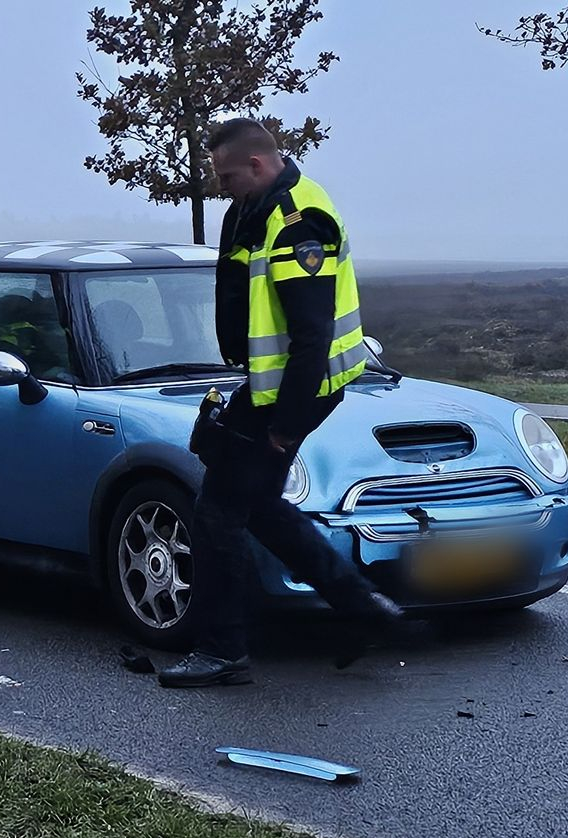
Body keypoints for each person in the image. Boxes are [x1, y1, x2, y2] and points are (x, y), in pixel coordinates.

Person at [159, 119, 401, 689]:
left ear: (259, 165)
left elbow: (312, 335)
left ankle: (223, 650)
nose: (220, 187)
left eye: (226, 176)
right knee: (260, 504)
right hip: (273, 386)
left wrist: (286, 428)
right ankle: (363, 609)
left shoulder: (298, 220)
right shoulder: (254, 205)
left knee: (218, 509)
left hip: (297, 390)